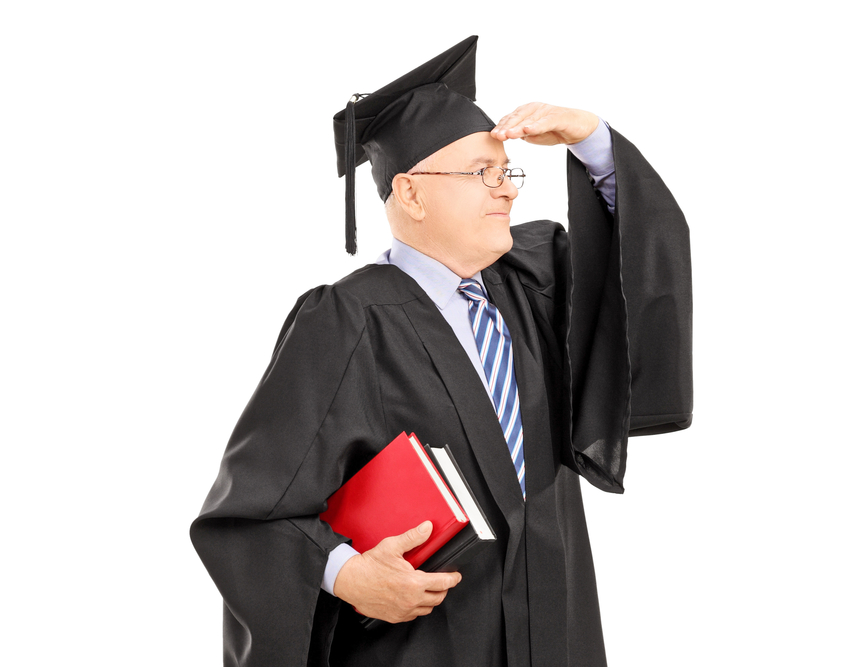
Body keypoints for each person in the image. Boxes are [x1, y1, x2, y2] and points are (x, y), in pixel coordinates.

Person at [191, 36, 692, 667]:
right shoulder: (346, 321)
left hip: (555, 635)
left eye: (506, 170)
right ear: (412, 194)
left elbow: (635, 272)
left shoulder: (536, 283)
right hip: (427, 647)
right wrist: (345, 573)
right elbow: (249, 513)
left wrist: (593, 139)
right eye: (482, 173)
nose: (508, 189)